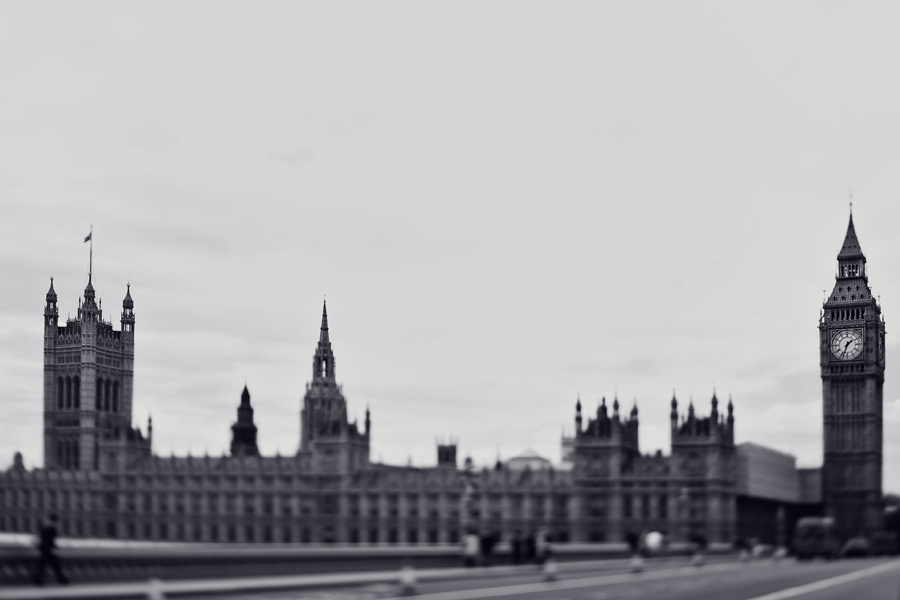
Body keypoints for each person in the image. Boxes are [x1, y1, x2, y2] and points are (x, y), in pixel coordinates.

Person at [33, 513, 68, 586]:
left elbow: (44, 538)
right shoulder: (51, 528)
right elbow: (49, 540)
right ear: (55, 520)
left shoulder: (45, 526)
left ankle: (60, 579)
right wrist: (54, 547)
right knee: (52, 564)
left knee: (45, 564)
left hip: (44, 548)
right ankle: (61, 579)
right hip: (47, 548)